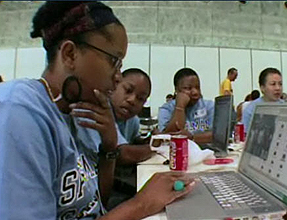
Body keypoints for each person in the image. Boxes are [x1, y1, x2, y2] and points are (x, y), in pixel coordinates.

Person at [0, 2, 195, 219]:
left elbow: (95, 203)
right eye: (114, 61)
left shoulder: (80, 111)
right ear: (70, 54)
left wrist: (109, 148)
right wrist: (141, 204)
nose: (118, 76)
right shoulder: (20, 110)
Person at [108, 68, 154, 207]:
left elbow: (134, 141)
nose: (132, 100)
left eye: (140, 99)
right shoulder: (105, 112)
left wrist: (149, 139)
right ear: (114, 86)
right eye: (128, 90)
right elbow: (123, 154)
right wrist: (156, 147)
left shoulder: (132, 119)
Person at [158, 67, 214, 144]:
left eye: (197, 87)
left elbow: (217, 135)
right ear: (177, 90)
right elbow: (169, 137)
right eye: (188, 88)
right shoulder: (166, 109)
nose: (195, 92)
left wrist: (192, 137)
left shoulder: (209, 106)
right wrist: (180, 106)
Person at [242, 67, 283, 133]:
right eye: (273, 84)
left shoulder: (286, 107)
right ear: (262, 88)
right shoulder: (251, 109)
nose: (278, 88)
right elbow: (244, 136)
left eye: (280, 84)